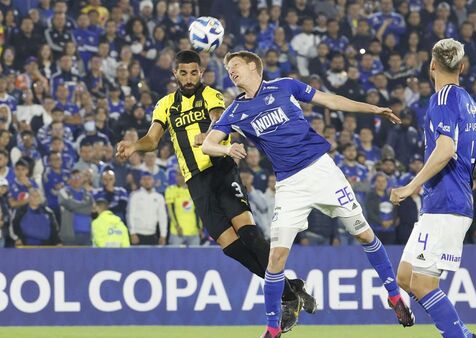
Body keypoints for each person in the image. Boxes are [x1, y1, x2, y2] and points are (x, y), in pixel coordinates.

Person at [202, 50, 413, 338]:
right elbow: (208, 144)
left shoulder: (285, 86)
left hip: (321, 171)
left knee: (363, 233)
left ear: (253, 66)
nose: (231, 72)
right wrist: (227, 148)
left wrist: (372, 109)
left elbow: (331, 100)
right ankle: (273, 328)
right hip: (289, 185)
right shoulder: (235, 111)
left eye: (235, 66)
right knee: (275, 258)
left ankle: (393, 295)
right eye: (228, 69)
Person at [115, 50, 314, 332]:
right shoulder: (164, 105)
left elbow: (220, 121)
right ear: (175, 74)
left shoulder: (210, 95)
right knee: (230, 247)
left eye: (193, 72)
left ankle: (286, 293)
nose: (188, 78)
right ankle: (290, 288)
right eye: (183, 73)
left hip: (221, 169)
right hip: (196, 181)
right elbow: (152, 138)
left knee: (249, 233)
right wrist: (134, 146)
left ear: (201, 72)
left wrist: (207, 135)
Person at [390, 39, 476, 338]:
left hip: (444, 204)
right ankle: (462, 333)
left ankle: (458, 336)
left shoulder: (442, 99)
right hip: (448, 203)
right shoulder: (470, 104)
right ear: (462, 67)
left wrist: (410, 186)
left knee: (423, 285)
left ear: (432, 65)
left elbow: (445, 149)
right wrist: (464, 173)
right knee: (406, 277)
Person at [127, 171, 168, 245]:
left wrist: (163, 235)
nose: (147, 181)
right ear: (141, 181)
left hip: (152, 234)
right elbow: (130, 215)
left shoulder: (159, 197)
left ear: (153, 181)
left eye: (149, 179)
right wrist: (132, 233)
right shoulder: (134, 196)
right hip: (137, 234)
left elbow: (162, 217)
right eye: (144, 179)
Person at [165, 168, 201, 246]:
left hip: (193, 231)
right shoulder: (170, 190)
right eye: (177, 175)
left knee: (195, 257)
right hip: (177, 232)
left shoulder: (194, 190)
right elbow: (170, 210)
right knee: (174, 257)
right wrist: (177, 226)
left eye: (181, 175)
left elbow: (198, 210)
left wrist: (200, 226)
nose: (179, 177)